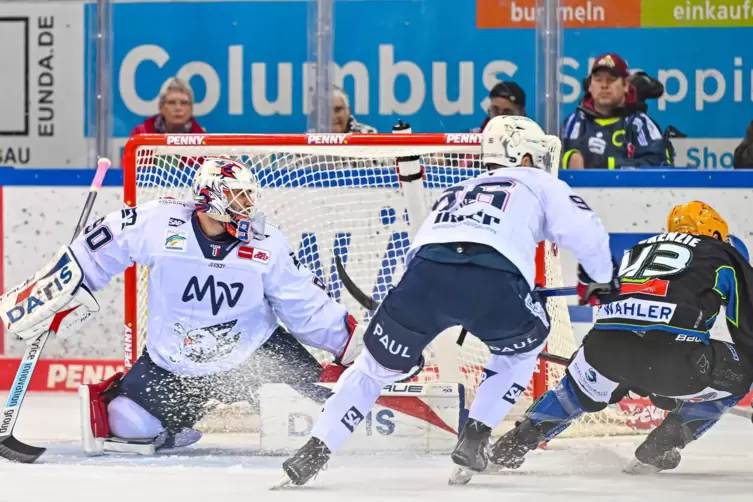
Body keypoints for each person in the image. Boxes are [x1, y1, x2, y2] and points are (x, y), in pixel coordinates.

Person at [277, 115, 618, 487]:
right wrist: (599, 278)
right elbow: (586, 230)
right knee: (522, 350)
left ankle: (314, 450)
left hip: (422, 281)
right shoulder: (538, 182)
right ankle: (475, 436)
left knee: (372, 367)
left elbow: (417, 259)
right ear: (523, 156)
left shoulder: (457, 188)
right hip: (493, 283)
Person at [0, 157, 361, 454]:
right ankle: (176, 426)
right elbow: (98, 248)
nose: (246, 207)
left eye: (248, 197)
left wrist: (351, 346)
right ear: (211, 197)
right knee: (126, 422)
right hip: (174, 364)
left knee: (331, 416)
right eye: (237, 198)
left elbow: (303, 304)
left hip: (255, 353)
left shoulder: (267, 242)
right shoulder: (159, 222)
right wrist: (60, 286)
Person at [489, 201, 753, 476]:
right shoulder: (723, 253)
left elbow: (619, 317)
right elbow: (746, 325)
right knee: (742, 371)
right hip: (674, 361)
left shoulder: (637, 251)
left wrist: (635, 375)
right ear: (715, 234)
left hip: (603, 350)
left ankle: (513, 444)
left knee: (574, 391)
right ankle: (661, 445)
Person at [562, 53, 671, 169]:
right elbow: (547, 160)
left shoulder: (639, 124)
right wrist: (568, 159)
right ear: (589, 86)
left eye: (611, 80)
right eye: (598, 79)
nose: (604, 85)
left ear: (626, 86)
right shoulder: (573, 122)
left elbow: (658, 165)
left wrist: (611, 165)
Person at [130, 77, 206, 136]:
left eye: (184, 103)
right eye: (172, 103)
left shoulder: (203, 139)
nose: (178, 108)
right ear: (161, 107)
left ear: (191, 108)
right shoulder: (141, 134)